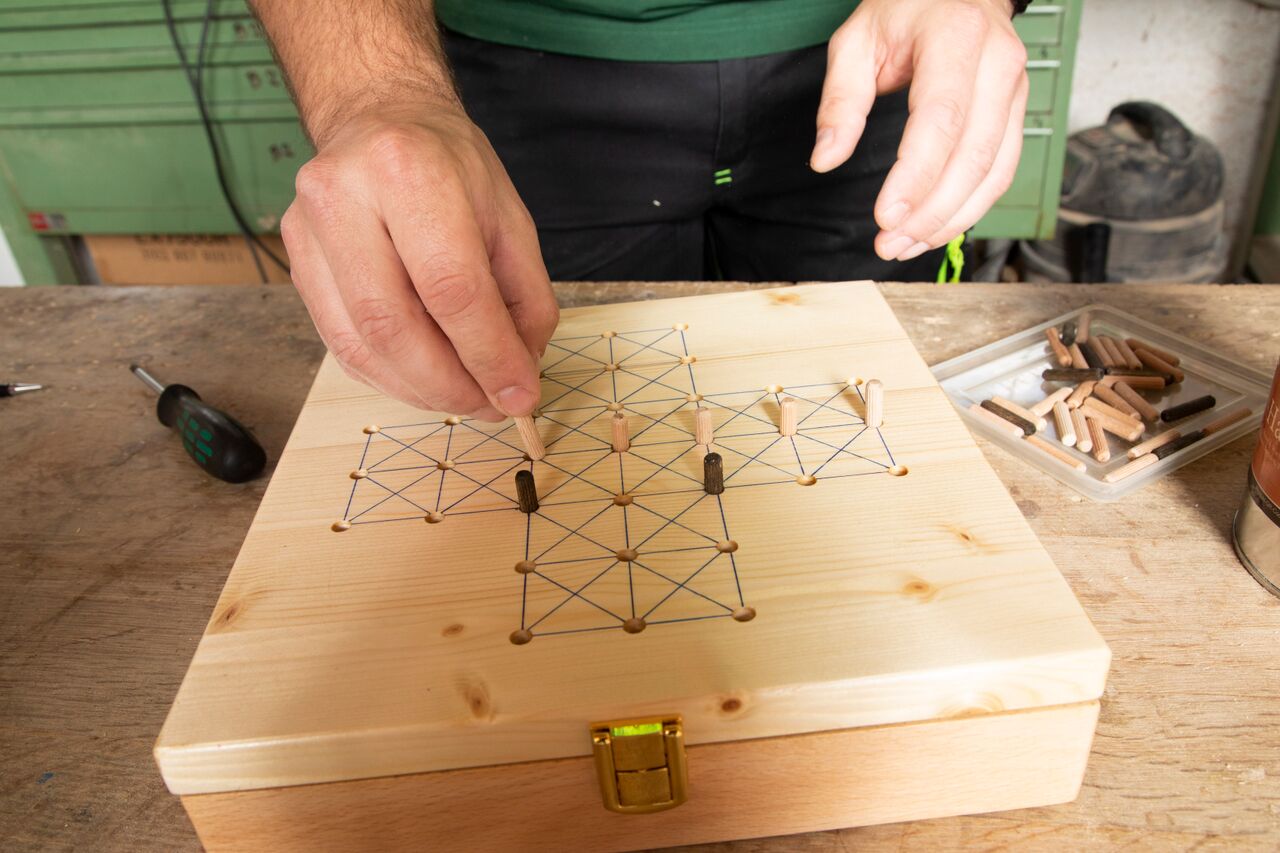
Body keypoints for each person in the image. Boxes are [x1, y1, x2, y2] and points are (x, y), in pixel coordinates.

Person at [251, 0, 1030, 422]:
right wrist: (371, 93)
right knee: (545, 389)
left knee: (873, 414)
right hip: (522, 69)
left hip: (883, 56)